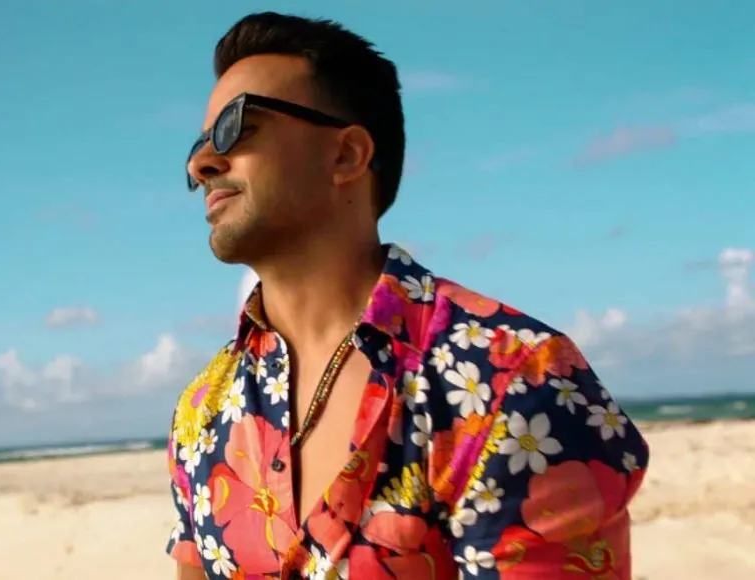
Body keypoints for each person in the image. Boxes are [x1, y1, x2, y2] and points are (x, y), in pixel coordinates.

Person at [165, 11, 649, 580]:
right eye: (198, 145)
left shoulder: (513, 379)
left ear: (346, 155)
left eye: (237, 127)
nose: (201, 163)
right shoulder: (203, 409)